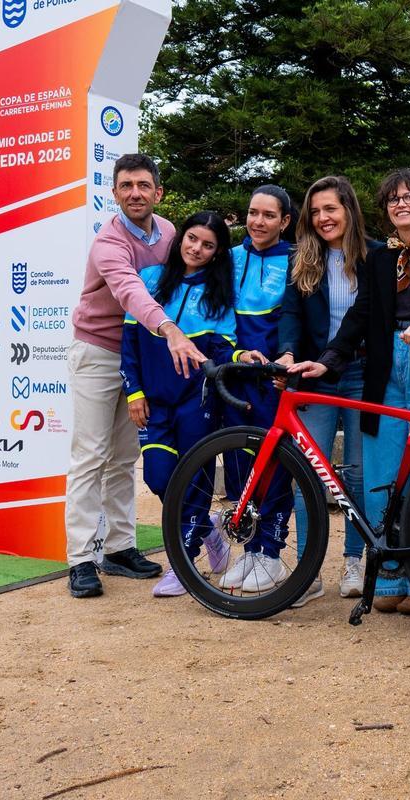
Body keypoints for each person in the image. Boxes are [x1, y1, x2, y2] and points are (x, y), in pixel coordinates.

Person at [289, 168, 410, 615]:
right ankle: (391, 577)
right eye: (393, 199)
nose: (401, 204)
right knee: (381, 476)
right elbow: (359, 316)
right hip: (383, 366)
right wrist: (328, 359)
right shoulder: (378, 260)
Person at [66, 153, 206, 599]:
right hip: (96, 350)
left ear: (158, 192)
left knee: (125, 458)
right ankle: (81, 559)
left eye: (143, 185)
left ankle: (120, 547)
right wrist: (171, 330)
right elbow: (131, 290)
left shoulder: (168, 232)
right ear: (114, 192)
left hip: (137, 355)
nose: (135, 193)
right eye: (126, 186)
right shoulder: (109, 242)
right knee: (90, 455)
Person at [120, 211, 265, 598]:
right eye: (192, 239)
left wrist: (242, 356)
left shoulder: (219, 296)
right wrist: (133, 392)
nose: (197, 249)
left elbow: (224, 348)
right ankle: (207, 530)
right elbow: (129, 344)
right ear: (180, 238)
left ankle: (182, 563)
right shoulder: (149, 281)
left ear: (217, 253)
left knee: (196, 480)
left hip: (196, 401)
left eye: (208, 245)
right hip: (153, 403)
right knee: (158, 477)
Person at [276, 176, 374, 607]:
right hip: (313, 375)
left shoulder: (377, 256)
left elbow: (369, 318)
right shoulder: (303, 258)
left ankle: (354, 561)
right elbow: (291, 315)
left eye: (330, 209)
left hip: (360, 373)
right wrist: (286, 352)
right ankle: (307, 569)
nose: (322, 218)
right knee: (306, 474)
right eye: (315, 212)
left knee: (356, 472)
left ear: (349, 210)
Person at [217, 186, 299, 593]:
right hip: (236, 376)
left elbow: (299, 319)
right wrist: (235, 352)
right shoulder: (229, 258)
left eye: (269, 215)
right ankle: (249, 549)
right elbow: (216, 315)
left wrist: (285, 358)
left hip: (276, 378)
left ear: (285, 221)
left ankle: (271, 550)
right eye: (253, 213)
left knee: (276, 465)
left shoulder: (299, 259)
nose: (258, 222)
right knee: (238, 466)